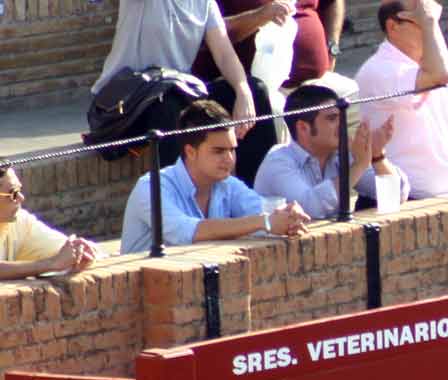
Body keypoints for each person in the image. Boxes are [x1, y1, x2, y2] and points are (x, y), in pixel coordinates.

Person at [91, 0, 277, 186]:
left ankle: (259, 198)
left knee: (255, 90)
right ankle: (175, 201)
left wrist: (243, 93)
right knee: (168, 106)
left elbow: (224, 54)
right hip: (123, 103)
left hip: (177, 91)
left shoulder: (205, 3)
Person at [355, 0, 448, 199]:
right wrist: (429, 23)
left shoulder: (442, 65)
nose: (433, 27)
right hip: (399, 204)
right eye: (422, 20)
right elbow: (439, 77)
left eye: (434, 20)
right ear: (393, 27)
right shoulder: (377, 70)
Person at [121, 100, 309, 255]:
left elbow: (260, 210)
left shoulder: (228, 184)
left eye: (232, 150)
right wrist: (266, 222)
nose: (229, 159)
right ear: (191, 152)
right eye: (219, 151)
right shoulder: (151, 187)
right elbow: (187, 233)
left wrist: (286, 215)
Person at [255, 85, 411, 218]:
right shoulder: (278, 161)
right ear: (303, 127)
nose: (341, 124)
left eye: (341, 117)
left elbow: (398, 194)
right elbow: (309, 209)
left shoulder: (339, 154)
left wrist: (377, 156)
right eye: (332, 118)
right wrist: (359, 166)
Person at [192, 0, 346, 88]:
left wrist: (332, 48)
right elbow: (202, 34)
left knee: (354, 97)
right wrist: (259, 17)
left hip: (317, 81)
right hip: (254, 91)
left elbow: (331, 2)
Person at [0, 165, 98, 280]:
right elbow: (57, 261)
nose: (21, 198)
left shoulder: (19, 220)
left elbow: (63, 253)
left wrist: (79, 252)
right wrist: (51, 264)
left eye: (19, 190)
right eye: (13, 193)